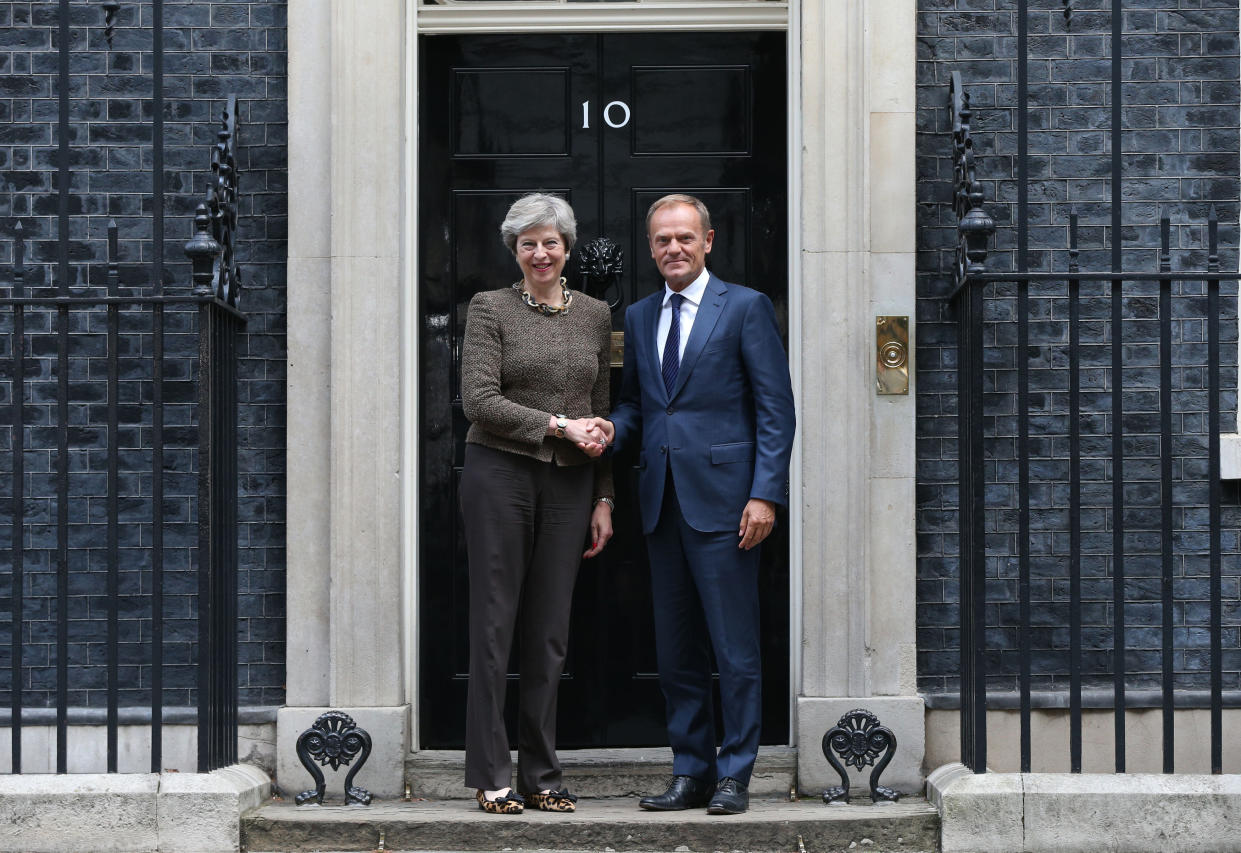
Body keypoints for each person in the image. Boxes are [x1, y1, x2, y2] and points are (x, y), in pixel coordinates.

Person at [598, 194, 795, 815]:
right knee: (677, 652)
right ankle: (692, 771)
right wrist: (608, 430)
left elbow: (775, 409)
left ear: (708, 241)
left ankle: (736, 774)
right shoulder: (637, 314)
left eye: (685, 238)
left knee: (735, 650)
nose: (673, 249)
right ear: (652, 247)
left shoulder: (744, 307)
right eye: (662, 240)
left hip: (728, 505)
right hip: (660, 504)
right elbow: (637, 403)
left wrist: (765, 493)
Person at [459, 193, 615, 815]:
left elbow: (601, 408)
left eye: (550, 242)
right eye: (528, 243)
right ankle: (491, 773)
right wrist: (557, 425)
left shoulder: (597, 315)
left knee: (549, 632)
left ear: (567, 248)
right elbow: (478, 399)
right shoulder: (489, 308)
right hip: (499, 473)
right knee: (494, 626)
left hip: (573, 481)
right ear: (514, 251)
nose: (541, 253)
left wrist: (604, 494)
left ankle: (541, 773)